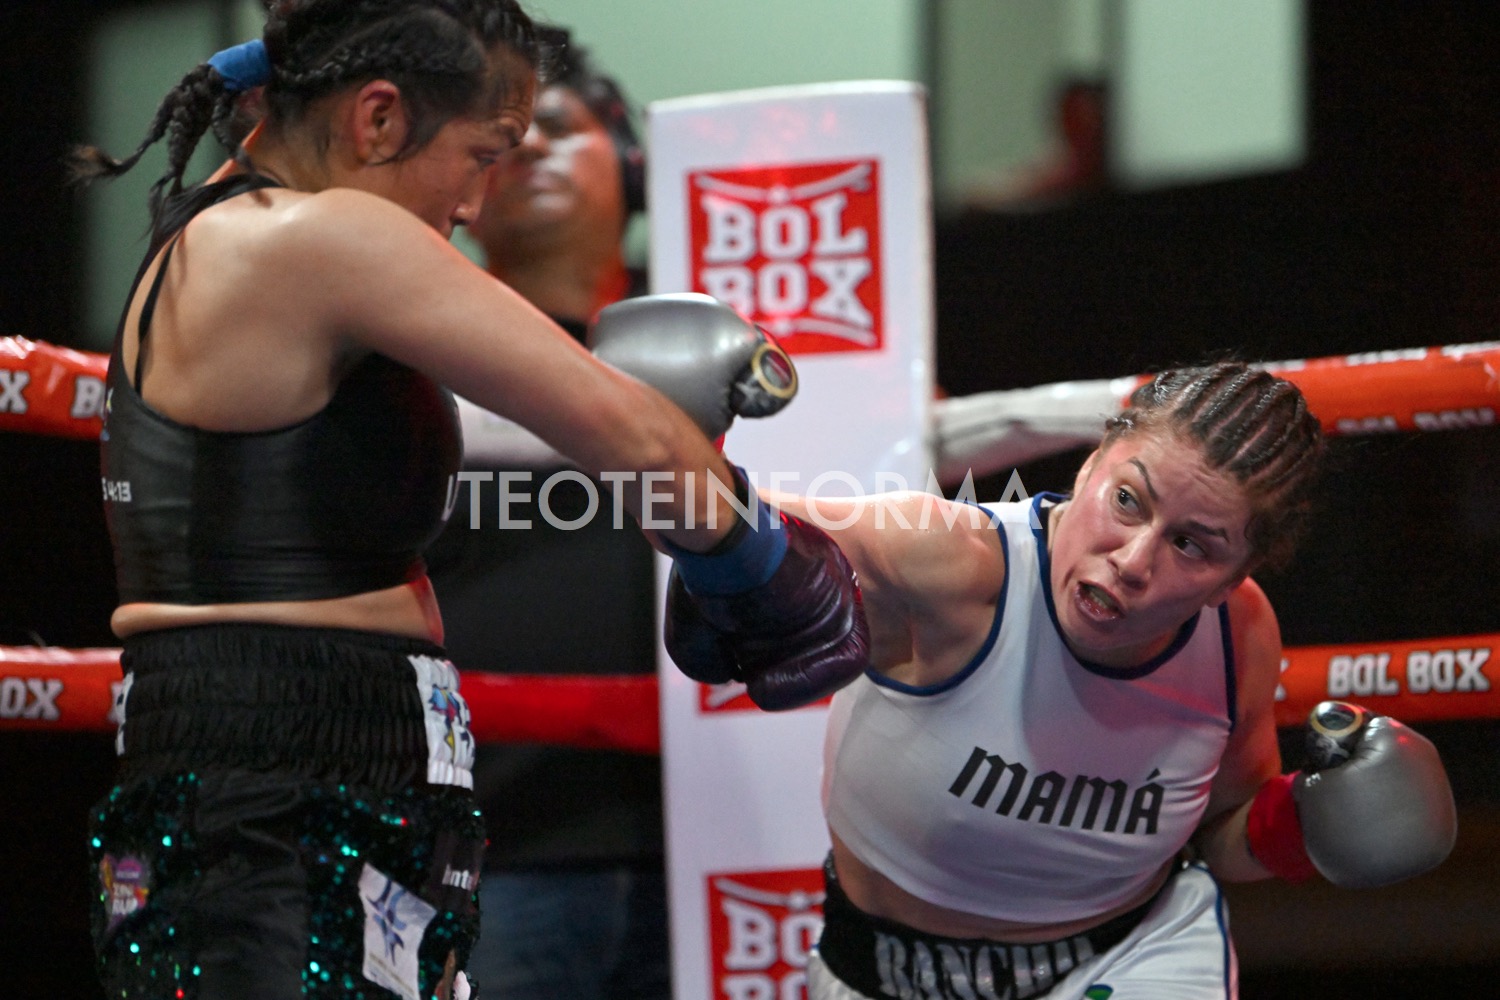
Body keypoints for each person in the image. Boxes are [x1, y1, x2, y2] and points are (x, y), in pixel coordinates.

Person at [71, 3, 844, 998]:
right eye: (484, 153)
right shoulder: (317, 236)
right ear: (379, 118)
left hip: (293, 772)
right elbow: (630, 431)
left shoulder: (224, 231)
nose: (479, 203)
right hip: (278, 792)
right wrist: (769, 571)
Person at [655, 362, 1458, 999]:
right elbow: (722, 513)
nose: (1134, 560)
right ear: (1092, 463)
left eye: (1192, 545)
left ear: (1233, 577)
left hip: (1128, 961)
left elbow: (1223, 828)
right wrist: (692, 459)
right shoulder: (953, 564)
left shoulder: (1237, 630)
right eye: (1128, 501)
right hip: (881, 972)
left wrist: (1302, 826)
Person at [422, 28, 670, 1000]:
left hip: (717, 836)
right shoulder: (410, 350)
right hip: (489, 844)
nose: (529, 154)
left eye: (558, 128)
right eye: (502, 141)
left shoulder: (729, 351)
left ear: (631, 162)